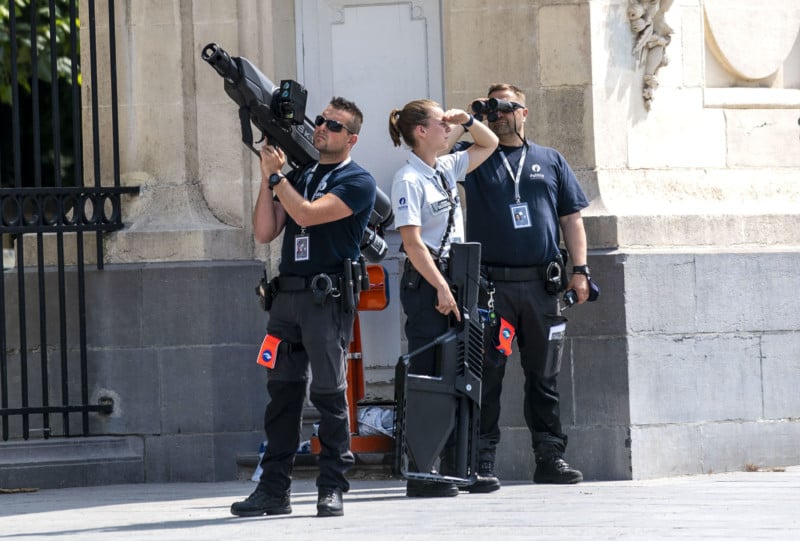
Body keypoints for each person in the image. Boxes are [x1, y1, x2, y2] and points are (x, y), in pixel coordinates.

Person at [230, 97, 377, 518]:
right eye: (321, 121)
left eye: (333, 125)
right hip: (287, 300)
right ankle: (273, 491)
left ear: (350, 139)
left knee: (330, 396)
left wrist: (277, 178)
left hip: (325, 299)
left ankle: (332, 487)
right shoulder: (299, 176)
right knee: (281, 396)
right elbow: (264, 231)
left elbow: (309, 216)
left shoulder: (357, 181)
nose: (322, 128)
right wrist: (266, 180)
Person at [450, 83, 590, 492]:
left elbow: (571, 218)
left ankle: (550, 457)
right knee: (487, 374)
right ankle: (481, 461)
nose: (499, 113)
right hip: (492, 286)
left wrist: (580, 270)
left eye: (507, 107)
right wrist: (470, 122)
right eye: (493, 107)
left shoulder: (550, 159)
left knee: (544, 376)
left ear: (524, 112)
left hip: (541, 286)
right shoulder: (473, 158)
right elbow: (437, 159)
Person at [389, 99, 498, 497]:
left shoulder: (445, 167)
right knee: (430, 372)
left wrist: (467, 120)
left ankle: (458, 466)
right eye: (440, 121)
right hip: (429, 281)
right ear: (421, 131)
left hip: (457, 276)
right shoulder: (408, 179)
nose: (447, 127)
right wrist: (440, 287)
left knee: (460, 374)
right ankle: (423, 471)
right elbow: (413, 243)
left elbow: (488, 145)